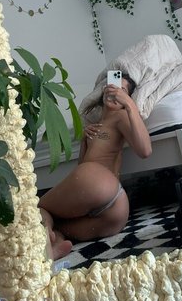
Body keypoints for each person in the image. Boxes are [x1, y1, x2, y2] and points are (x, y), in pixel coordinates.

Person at [39, 74, 152, 260]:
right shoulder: (96, 125)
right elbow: (82, 171)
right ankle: (55, 246)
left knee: (40, 209)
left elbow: (145, 150)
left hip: (105, 187)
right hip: (114, 209)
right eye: (112, 86)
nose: (115, 92)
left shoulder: (121, 116)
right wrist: (85, 140)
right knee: (59, 224)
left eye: (122, 90)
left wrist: (130, 105)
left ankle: (45, 253)